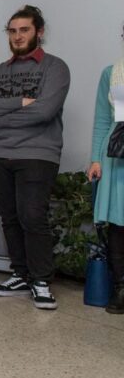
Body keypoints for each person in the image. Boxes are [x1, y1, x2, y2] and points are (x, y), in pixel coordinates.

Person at [0, 5, 70, 310]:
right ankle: (20, 274)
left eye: (24, 30)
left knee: (33, 216)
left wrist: (3, 115)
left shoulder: (55, 68)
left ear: (39, 32)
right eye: (12, 31)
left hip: (38, 154)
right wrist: (20, 103)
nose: (17, 36)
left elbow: (45, 111)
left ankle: (41, 280)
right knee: (10, 218)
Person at [86, 27, 124, 313]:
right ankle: (121, 288)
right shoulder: (113, 73)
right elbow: (102, 119)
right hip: (116, 155)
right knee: (118, 224)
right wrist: (95, 159)